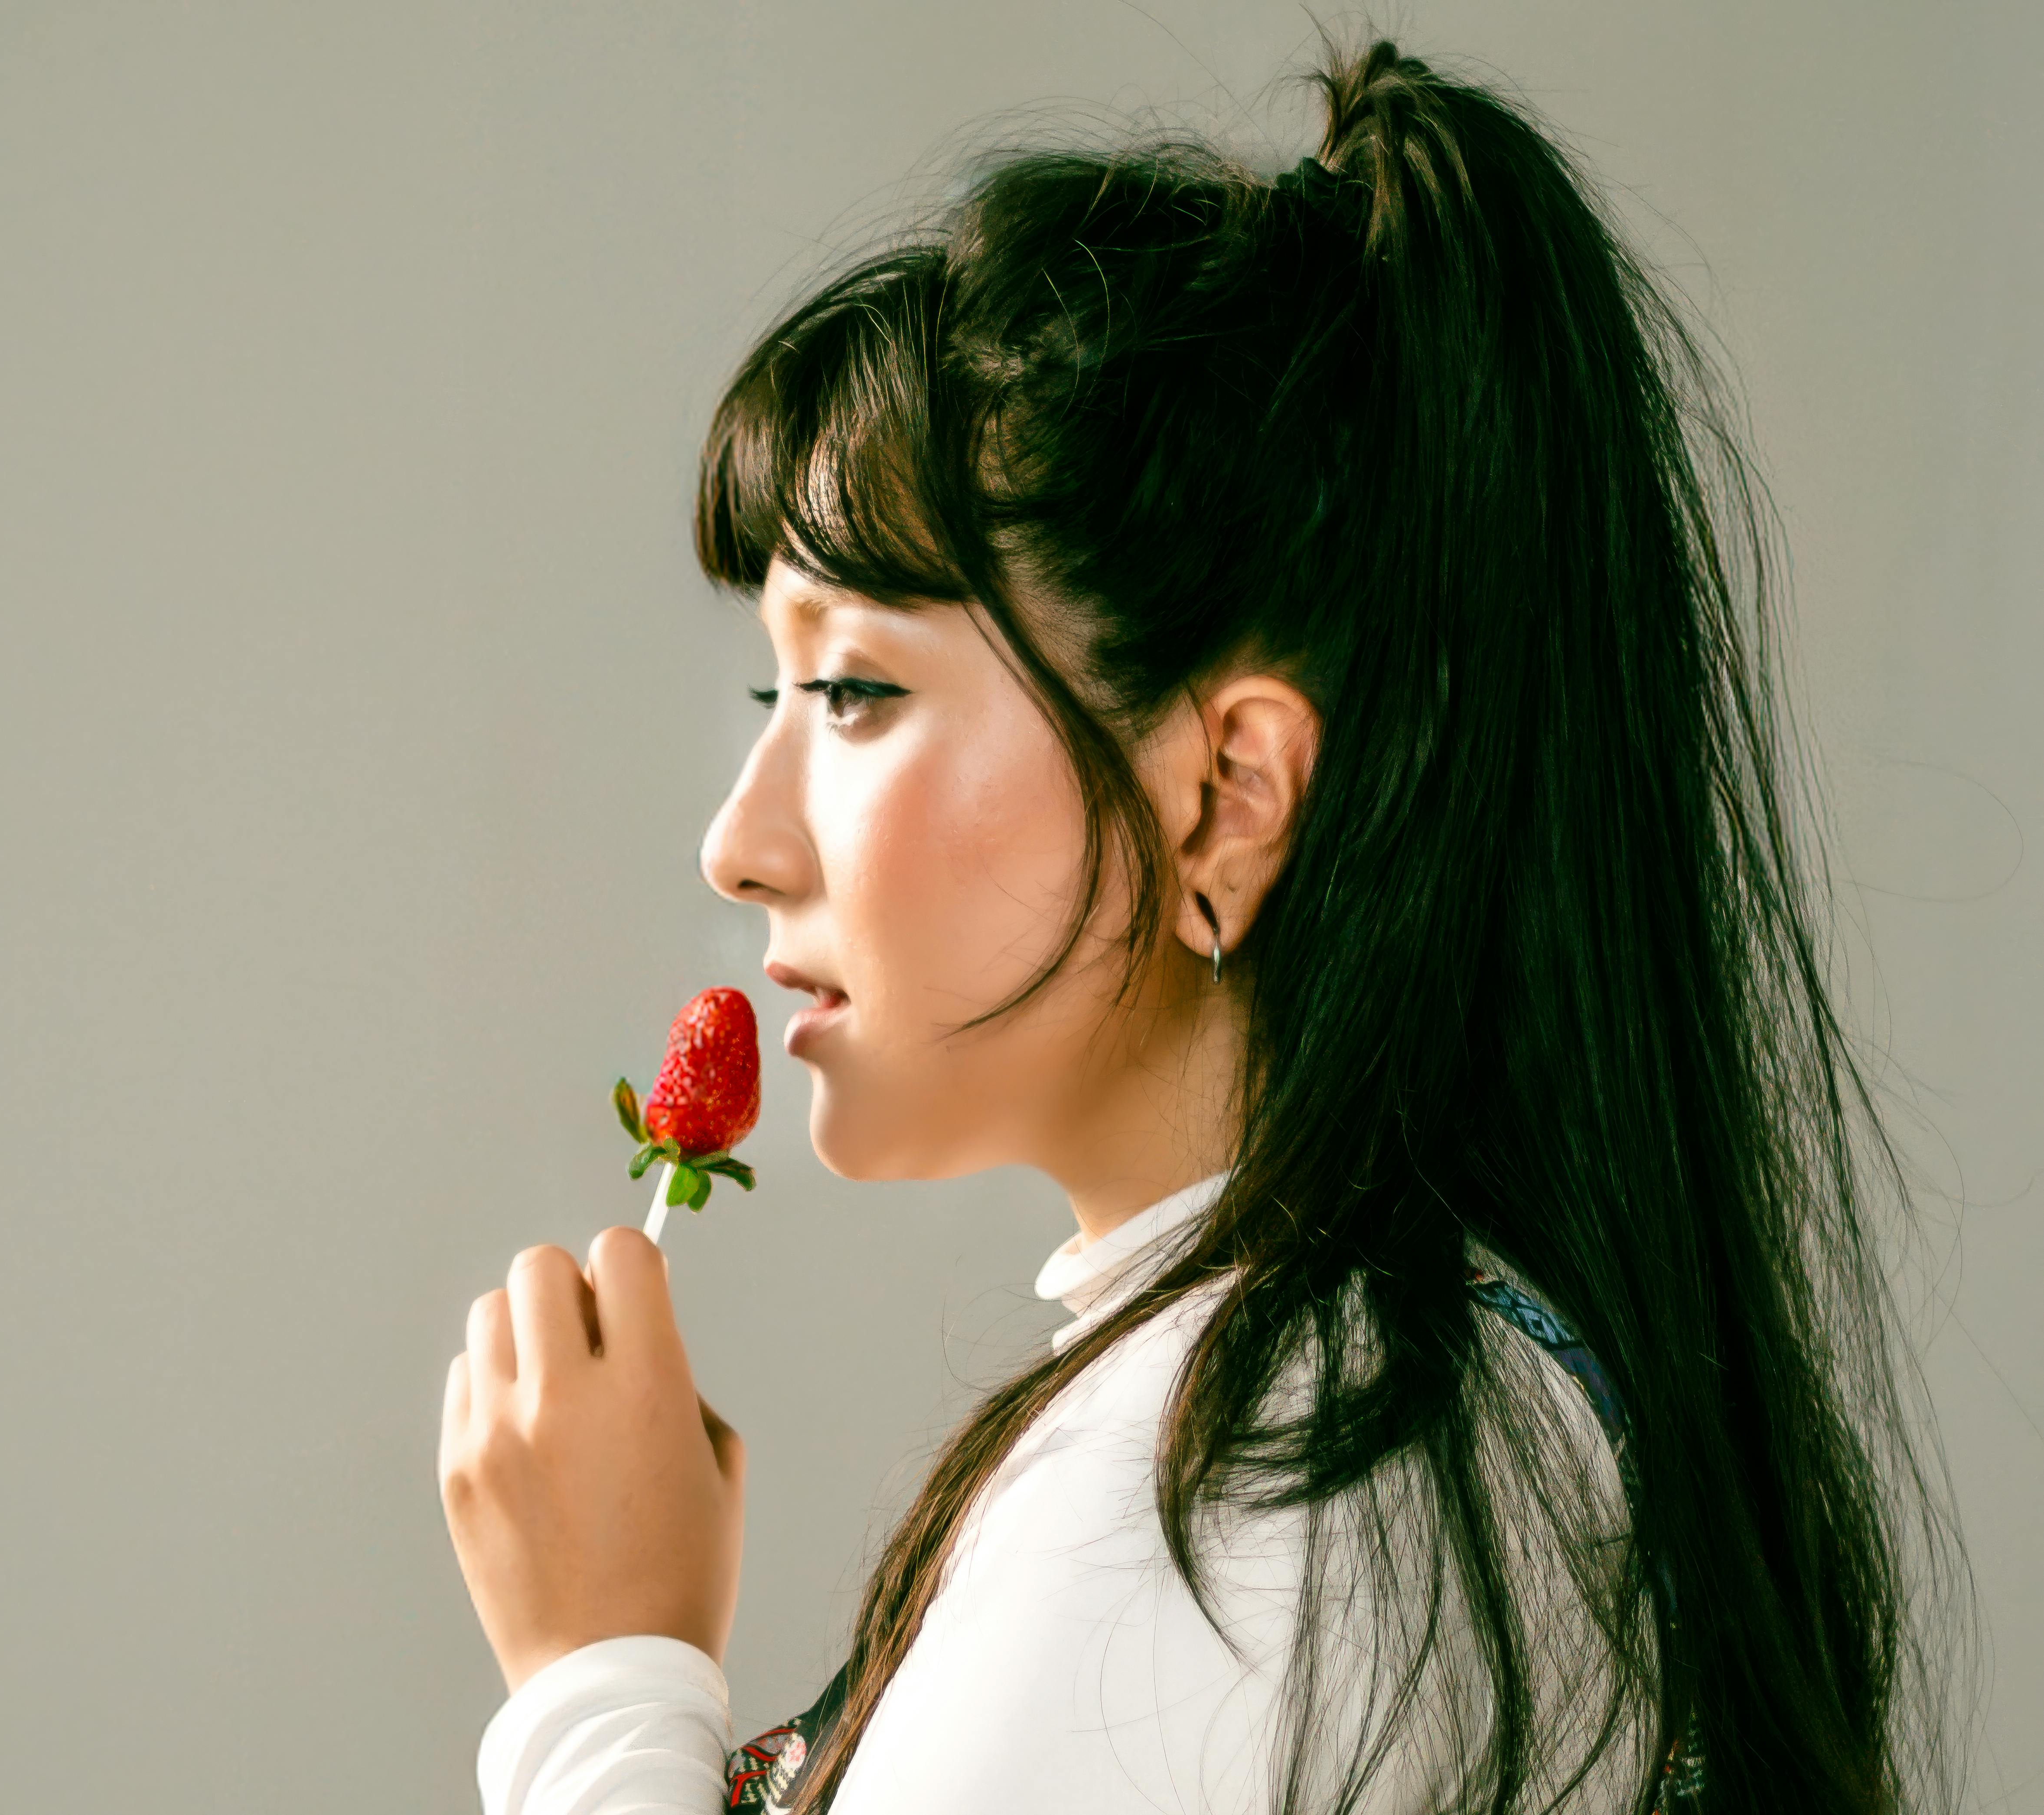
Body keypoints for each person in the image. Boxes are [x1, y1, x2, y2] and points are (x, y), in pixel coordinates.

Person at [436, 38, 1956, 1815]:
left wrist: (603, 1686)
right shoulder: (1405, 1408)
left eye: (851, 692)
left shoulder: (1249, 1491)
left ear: (1226, 792)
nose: (739, 843)